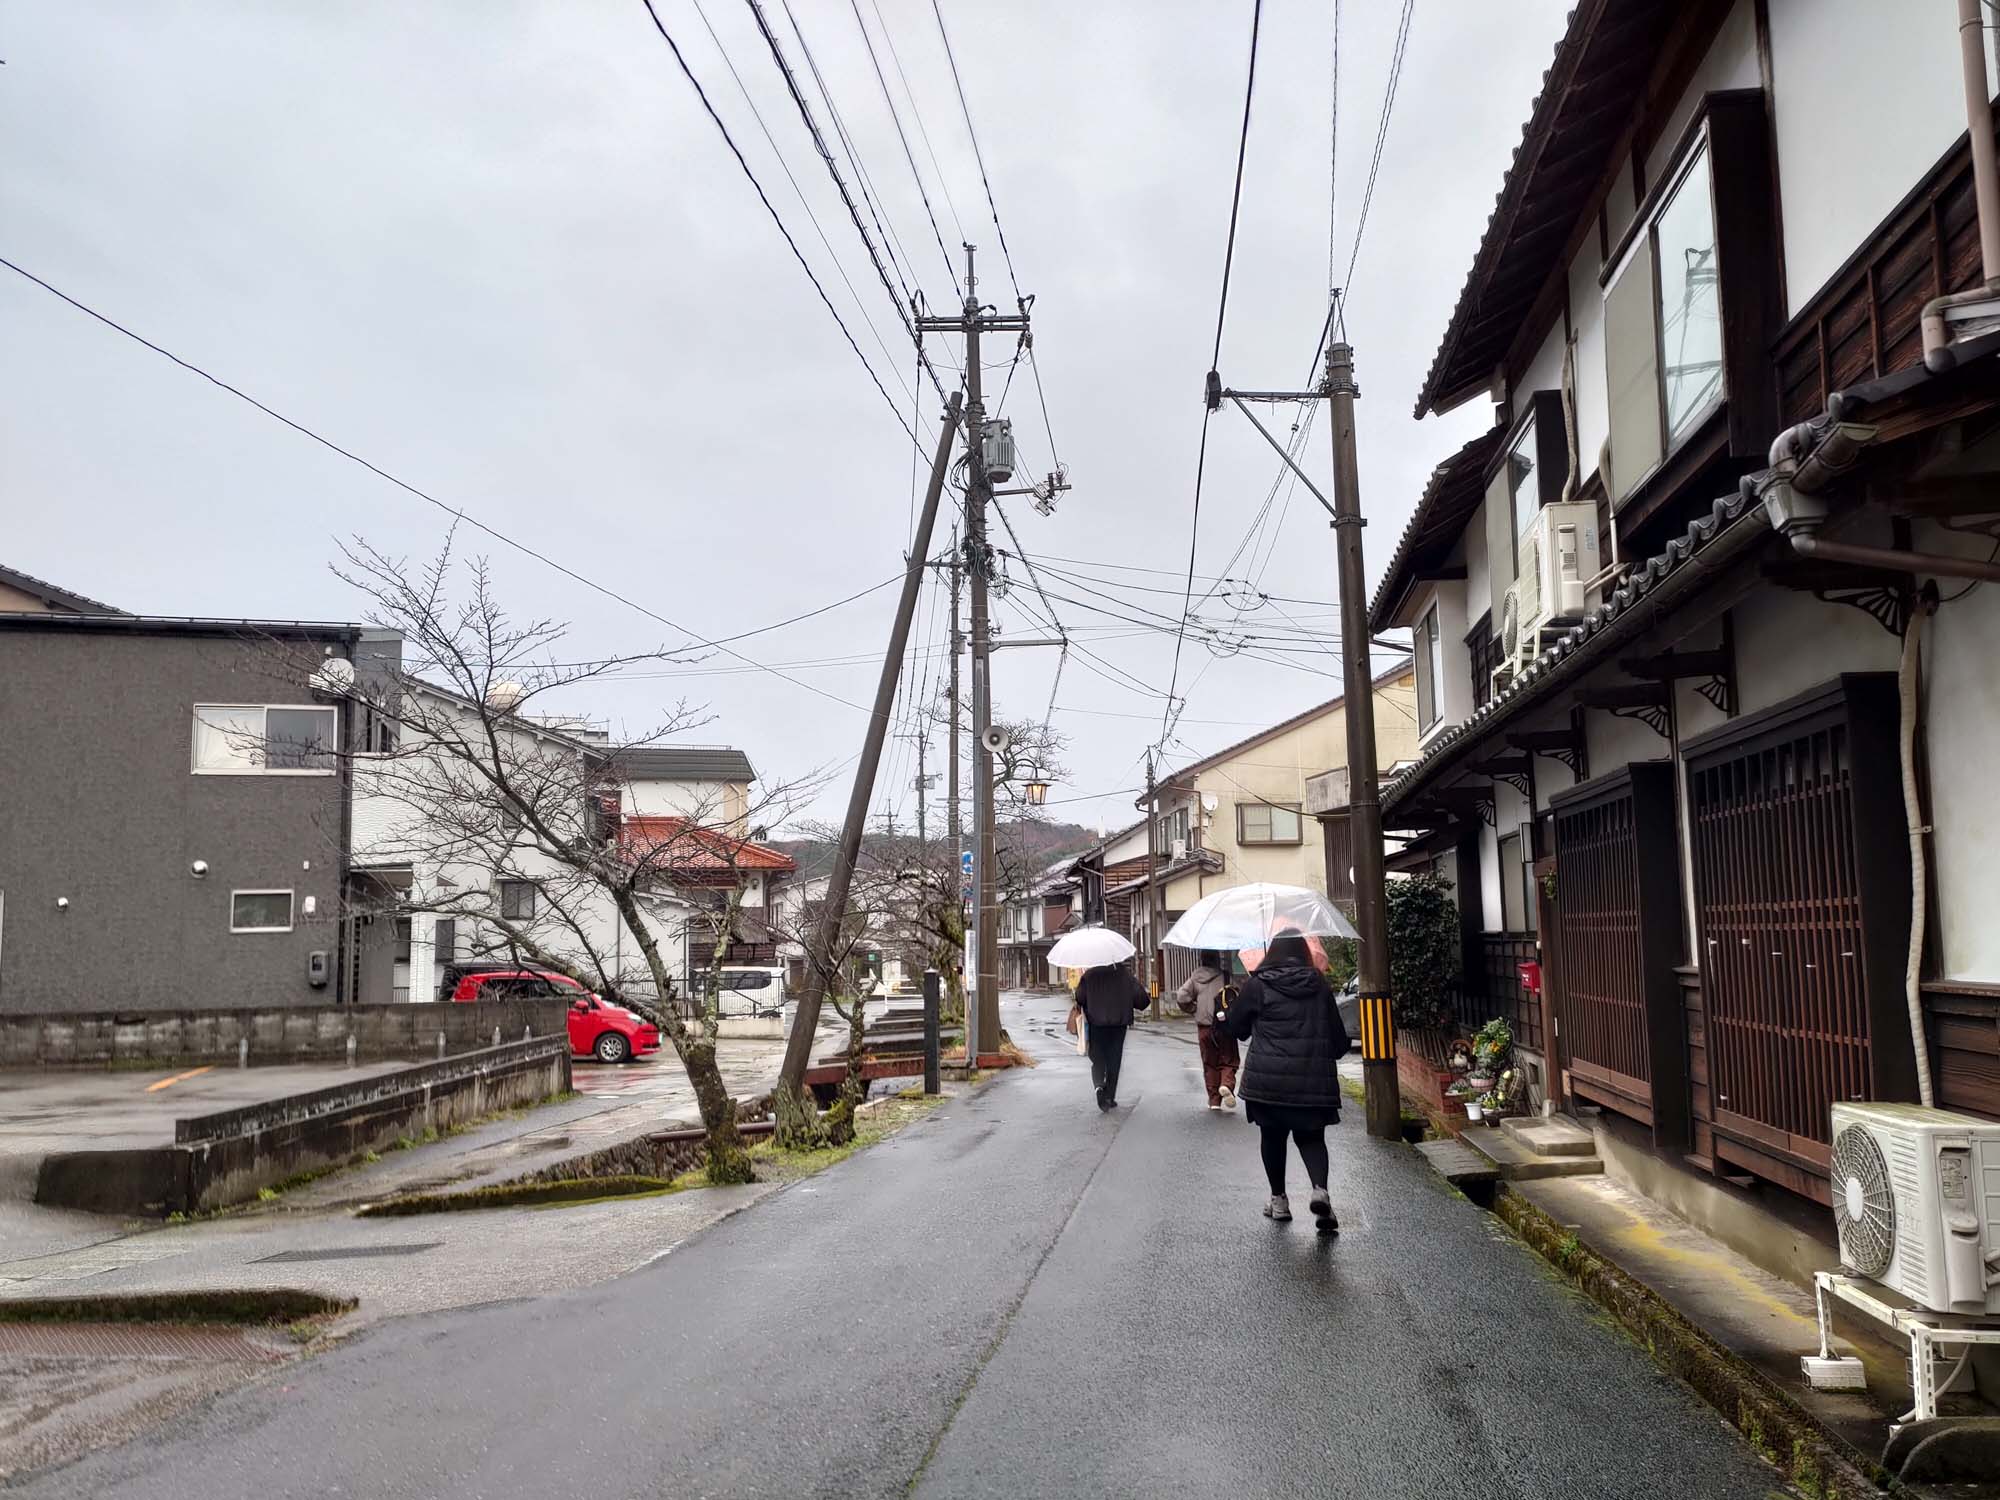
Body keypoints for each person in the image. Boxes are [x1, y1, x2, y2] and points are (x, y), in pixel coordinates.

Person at [1219, 931, 1347, 1229]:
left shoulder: (1258, 985)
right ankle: (1320, 1191)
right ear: (1304, 952)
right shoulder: (1319, 985)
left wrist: (1228, 1013)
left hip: (1268, 1083)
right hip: (1312, 1081)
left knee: (1273, 1137)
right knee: (1312, 1138)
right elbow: (1339, 1041)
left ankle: (1279, 1201)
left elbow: (1237, 1029)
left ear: (1272, 952)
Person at [1074, 960, 1149, 1110]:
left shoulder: (1089, 975)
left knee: (1098, 1058)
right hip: (1118, 1024)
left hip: (1096, 1023)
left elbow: (1079, 997)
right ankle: (1109, 1096)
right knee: (1114, 1059)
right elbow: (1142, 1000)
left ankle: (1099, 1087)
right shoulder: (1124, 974)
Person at [1174, 950, 1239, 1111]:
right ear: (1217, 959)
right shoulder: (1226, 977)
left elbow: (1181, 997)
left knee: (1210, 1063)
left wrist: (1194, 1009)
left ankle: (1214, 1101)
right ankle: (1226, 1085)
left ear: (1201, 959)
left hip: (1204, 1028)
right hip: (1224, 1026)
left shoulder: (1195, 978)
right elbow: (1239, 995)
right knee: (1229, 1059)